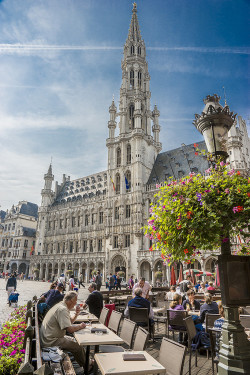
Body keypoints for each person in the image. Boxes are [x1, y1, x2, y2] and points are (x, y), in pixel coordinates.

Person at [40, 291, 86, 368]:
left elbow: (69, 322)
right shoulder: (63, 309)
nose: (75, 304)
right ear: (71, 300)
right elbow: (70, 329)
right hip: (51, 341)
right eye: (75, 301)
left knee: (74, 340)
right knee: (78, 347)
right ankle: (87, 366)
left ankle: (86, 362)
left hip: (49, 338)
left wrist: (76, 314)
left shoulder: (61, 305)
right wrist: (80, 326)